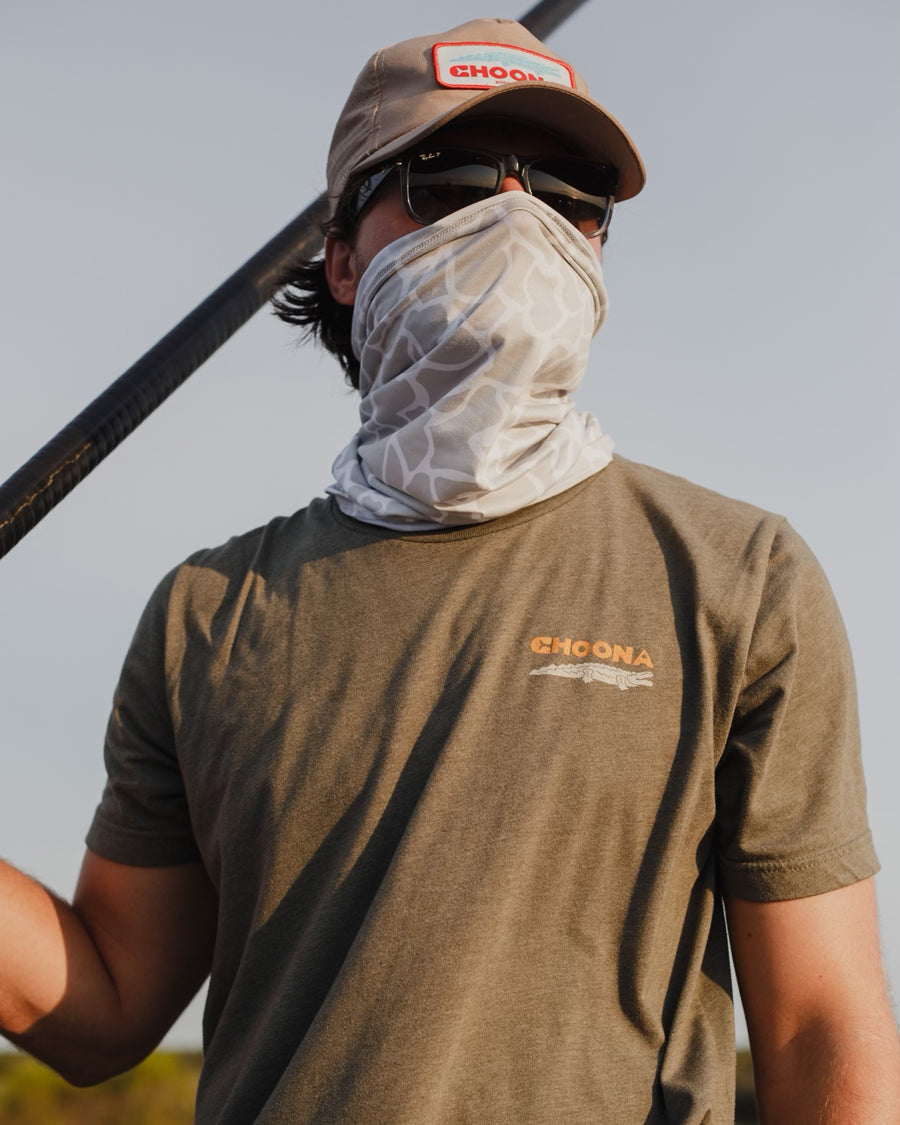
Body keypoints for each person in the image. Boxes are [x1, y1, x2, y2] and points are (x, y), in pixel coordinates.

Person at [2, 16, 899, 1124]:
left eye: (572, 195)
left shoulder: (739, 578)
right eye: (456, 178)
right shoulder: (208, 614)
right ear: (338, 257)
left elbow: (820, 1028)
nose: (520, 215)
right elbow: (104, 1007)